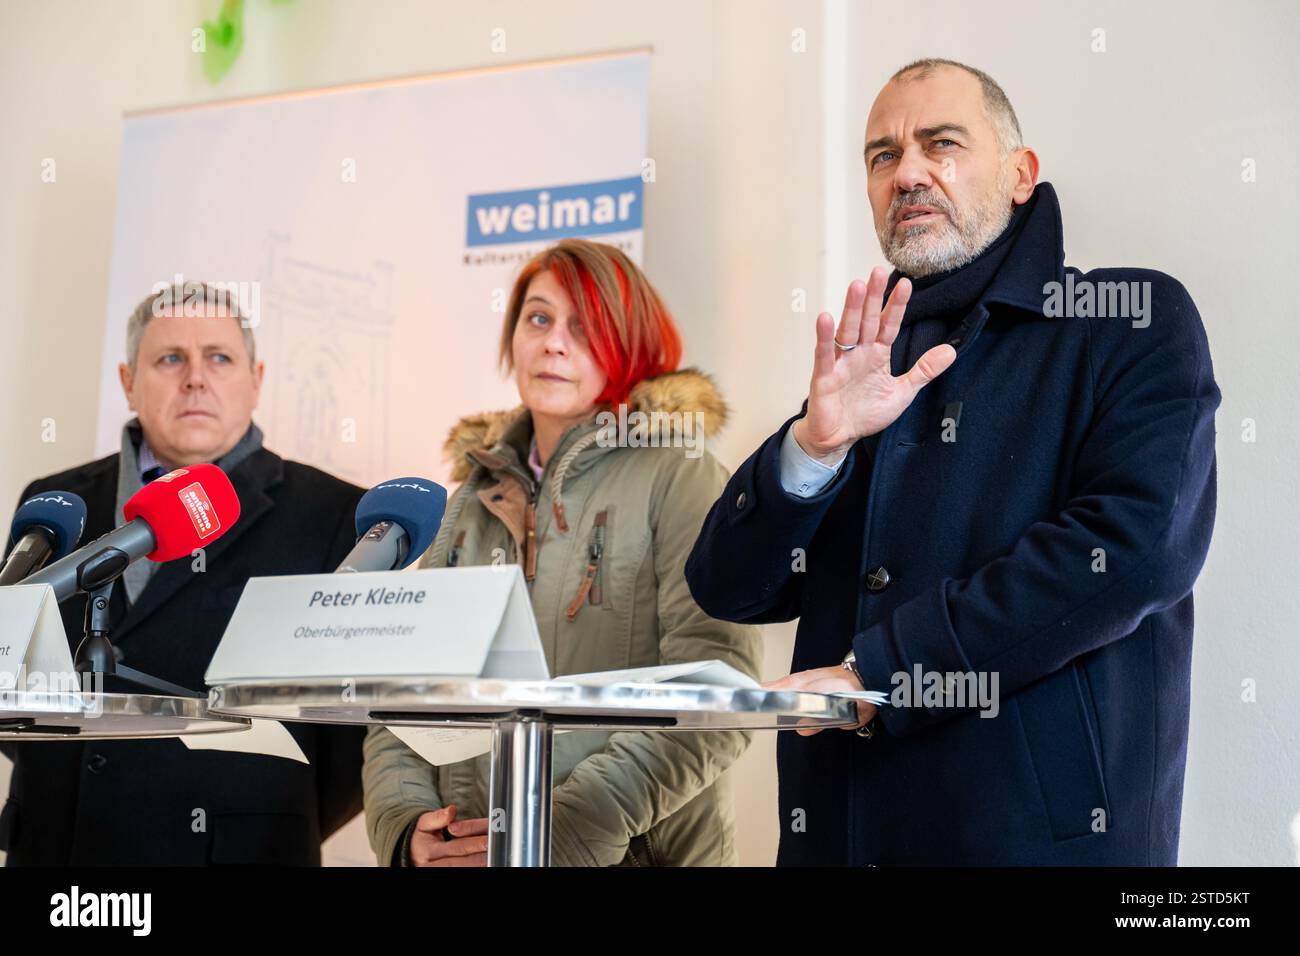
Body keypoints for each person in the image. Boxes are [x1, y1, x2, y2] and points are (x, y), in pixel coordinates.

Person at [686, 59, 1220, 865]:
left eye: (942, 143)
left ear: (1019, 173)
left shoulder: (1131, 321)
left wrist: (881, 672)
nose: (907, 172)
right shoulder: (866, 363)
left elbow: (1133, 552)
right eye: (881, 155)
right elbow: (727, 587)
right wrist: (814, 445)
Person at [362, 239, 762, 866]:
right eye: (539, 318)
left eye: (586, 326)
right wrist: (408, 828)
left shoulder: (682, 475)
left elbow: (718, 693)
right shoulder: (464, 498)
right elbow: (402, 699)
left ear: (627, 345)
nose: (553, 343)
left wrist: (563, 834)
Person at [0, 281, 367, 865]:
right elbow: (13, 672)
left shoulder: (334, 515)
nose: (195, 377)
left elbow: (351, 736)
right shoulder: (55, 501)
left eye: (219, 358)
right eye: (170, 358)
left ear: (257, 379)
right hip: (59, 849)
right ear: (128, 382)